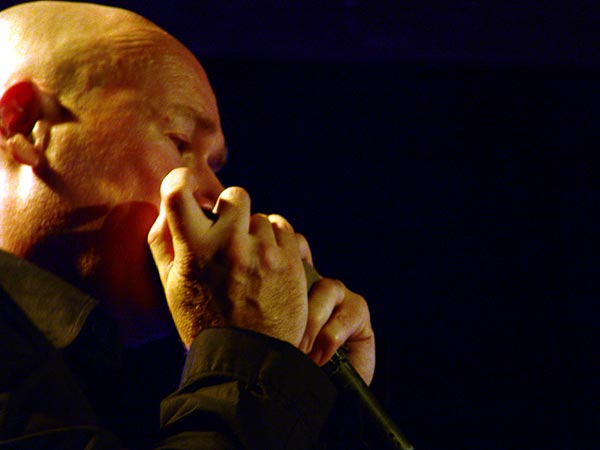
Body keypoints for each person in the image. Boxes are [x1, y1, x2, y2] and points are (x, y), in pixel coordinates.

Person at [0, 1, 376, 448]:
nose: (217, 194)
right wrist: (246, 349)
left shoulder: (103, 381)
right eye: (179, 143)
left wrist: (302, 381)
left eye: (215, 165)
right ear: (25, 125)